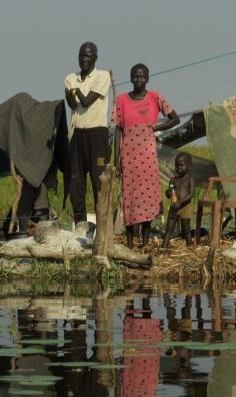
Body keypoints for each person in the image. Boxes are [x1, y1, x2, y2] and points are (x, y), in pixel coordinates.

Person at [113, 63, 178, 244]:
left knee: (148, 197)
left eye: (142, 76)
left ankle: (145, 241)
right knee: (129, 197)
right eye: (135, 76)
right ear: (131, 77)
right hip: (128, 156)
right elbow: (118, 131)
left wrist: (157, 127)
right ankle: (130, 242)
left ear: (147, 79)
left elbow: (175, 118)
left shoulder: (156, 97)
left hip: (148, 156)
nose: (138, 79)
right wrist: (116, 160)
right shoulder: (121, 100)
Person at [63, 42, 113, 233]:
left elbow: (85, 101)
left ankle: (103, 228)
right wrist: (70, 95)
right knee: (76, 183)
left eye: (88, 56)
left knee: (98, 181)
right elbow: (73, 105)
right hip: (77, 134)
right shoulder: (70, 77)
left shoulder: (102, 76)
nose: (84, 59)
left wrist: (75, 92)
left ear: (95, 58)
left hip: (97, 135)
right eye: (82, 55)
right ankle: (80, 227)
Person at [164, 152, 196, 245]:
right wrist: (168, 192)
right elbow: (170, 191)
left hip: (185, 207)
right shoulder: (173, 179)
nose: (179, 168)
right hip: (174, 206)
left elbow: (191, 194)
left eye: (181, 165)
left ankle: (189, 244)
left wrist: (180, 202)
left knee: (186, 228)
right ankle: (164, 245)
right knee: (169, 227)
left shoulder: (190, 179)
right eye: (177, 165)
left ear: (189, 166)